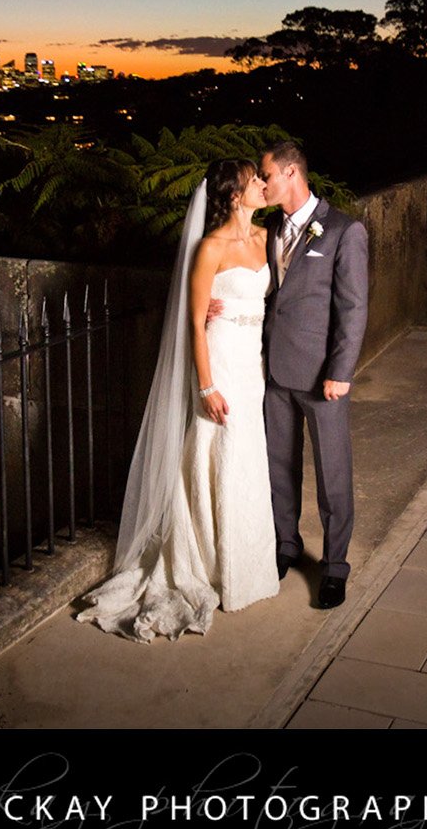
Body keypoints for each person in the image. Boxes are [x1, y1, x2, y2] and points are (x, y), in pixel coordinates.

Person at [76, 160, 279, 641]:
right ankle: (210, 562)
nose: (262, 185)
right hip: (222, 358)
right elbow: (193, 322)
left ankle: (248, 565)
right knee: (215, 453)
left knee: (247, 456)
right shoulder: (210, 247)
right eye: (255, 180)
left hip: (254, 363)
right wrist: (206, 386)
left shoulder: (266, 237)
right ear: (234, 195)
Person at [259, 140, 368, 609]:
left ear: (291, 174)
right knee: (279, 468)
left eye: (266, 176)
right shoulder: (268, 228)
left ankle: (335, 567)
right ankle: (286, 545)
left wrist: (340, 370)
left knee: (332, 475)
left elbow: (353, 306)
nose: (261, 185)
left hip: (323, 375)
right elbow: (271, 297)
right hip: (274, 372)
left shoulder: (344, 230)